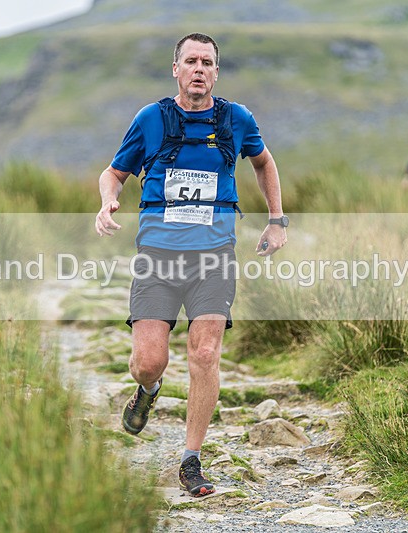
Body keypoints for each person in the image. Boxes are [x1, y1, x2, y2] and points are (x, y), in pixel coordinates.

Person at [94, 33, 287, 497]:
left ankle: (191, 460)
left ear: (216, 72)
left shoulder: (236, 119)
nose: (199, 68)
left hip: (214, 257)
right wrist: (107, 202)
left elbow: (264, 162)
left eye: (207, 62)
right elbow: (114, 173)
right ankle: (148, 389)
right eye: (190, 61)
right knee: (147, 361)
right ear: (175, 69)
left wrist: (277, 220)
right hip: (158, 258)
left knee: (204, 353)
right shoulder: (151, 119)